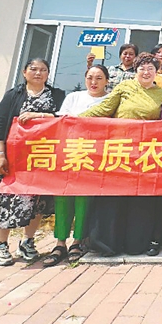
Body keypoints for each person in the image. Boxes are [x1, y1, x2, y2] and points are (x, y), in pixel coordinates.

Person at [80, 53, 162, 256]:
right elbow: (103, 109)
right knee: (114, 198)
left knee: (140, 201)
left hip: (145, 155)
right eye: (142, 68)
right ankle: (107, 243)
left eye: (150, 69)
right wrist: (72, 119)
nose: (146, 72)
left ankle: (137, 242)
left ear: (156, 72)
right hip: (120, 151)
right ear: (135, 71)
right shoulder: (124, 87)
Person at [0, 58, 66, 266]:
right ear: (24, 72)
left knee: (37, 201)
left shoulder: (57, 95)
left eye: (43, 70)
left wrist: (38, 114)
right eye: (33, 69)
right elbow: (0, 125)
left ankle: (27, 241)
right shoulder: (13, 95)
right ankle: (1, 245)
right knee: (7, 198)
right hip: (15, 159)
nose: (38, 73)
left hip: (43, 157)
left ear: (48, 74)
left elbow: (62, 119)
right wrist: (0, 155)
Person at [43, 65, 109, 267]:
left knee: (84, 199)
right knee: (63, 197)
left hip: (94, 156)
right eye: (90, 77)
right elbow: (61, 121)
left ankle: (77, 242)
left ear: (107, 81)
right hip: (70, 153)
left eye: (99, 78)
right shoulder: (74, 97)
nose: (94, 82)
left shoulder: (110, 100)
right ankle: (60, 243)